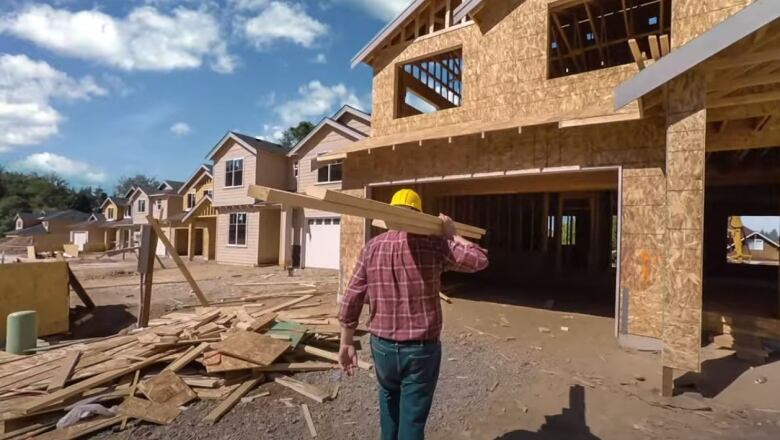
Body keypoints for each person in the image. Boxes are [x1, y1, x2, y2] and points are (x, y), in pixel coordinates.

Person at [338, 189, 489, 440]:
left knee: (389, 405)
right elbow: (479, 260)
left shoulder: (372, 248)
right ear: (419, 214)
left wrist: (346, 342)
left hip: (382, 346)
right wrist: (454, 236)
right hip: (420, 350)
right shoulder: (435, 244)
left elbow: (352, 294)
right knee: (413, 419)